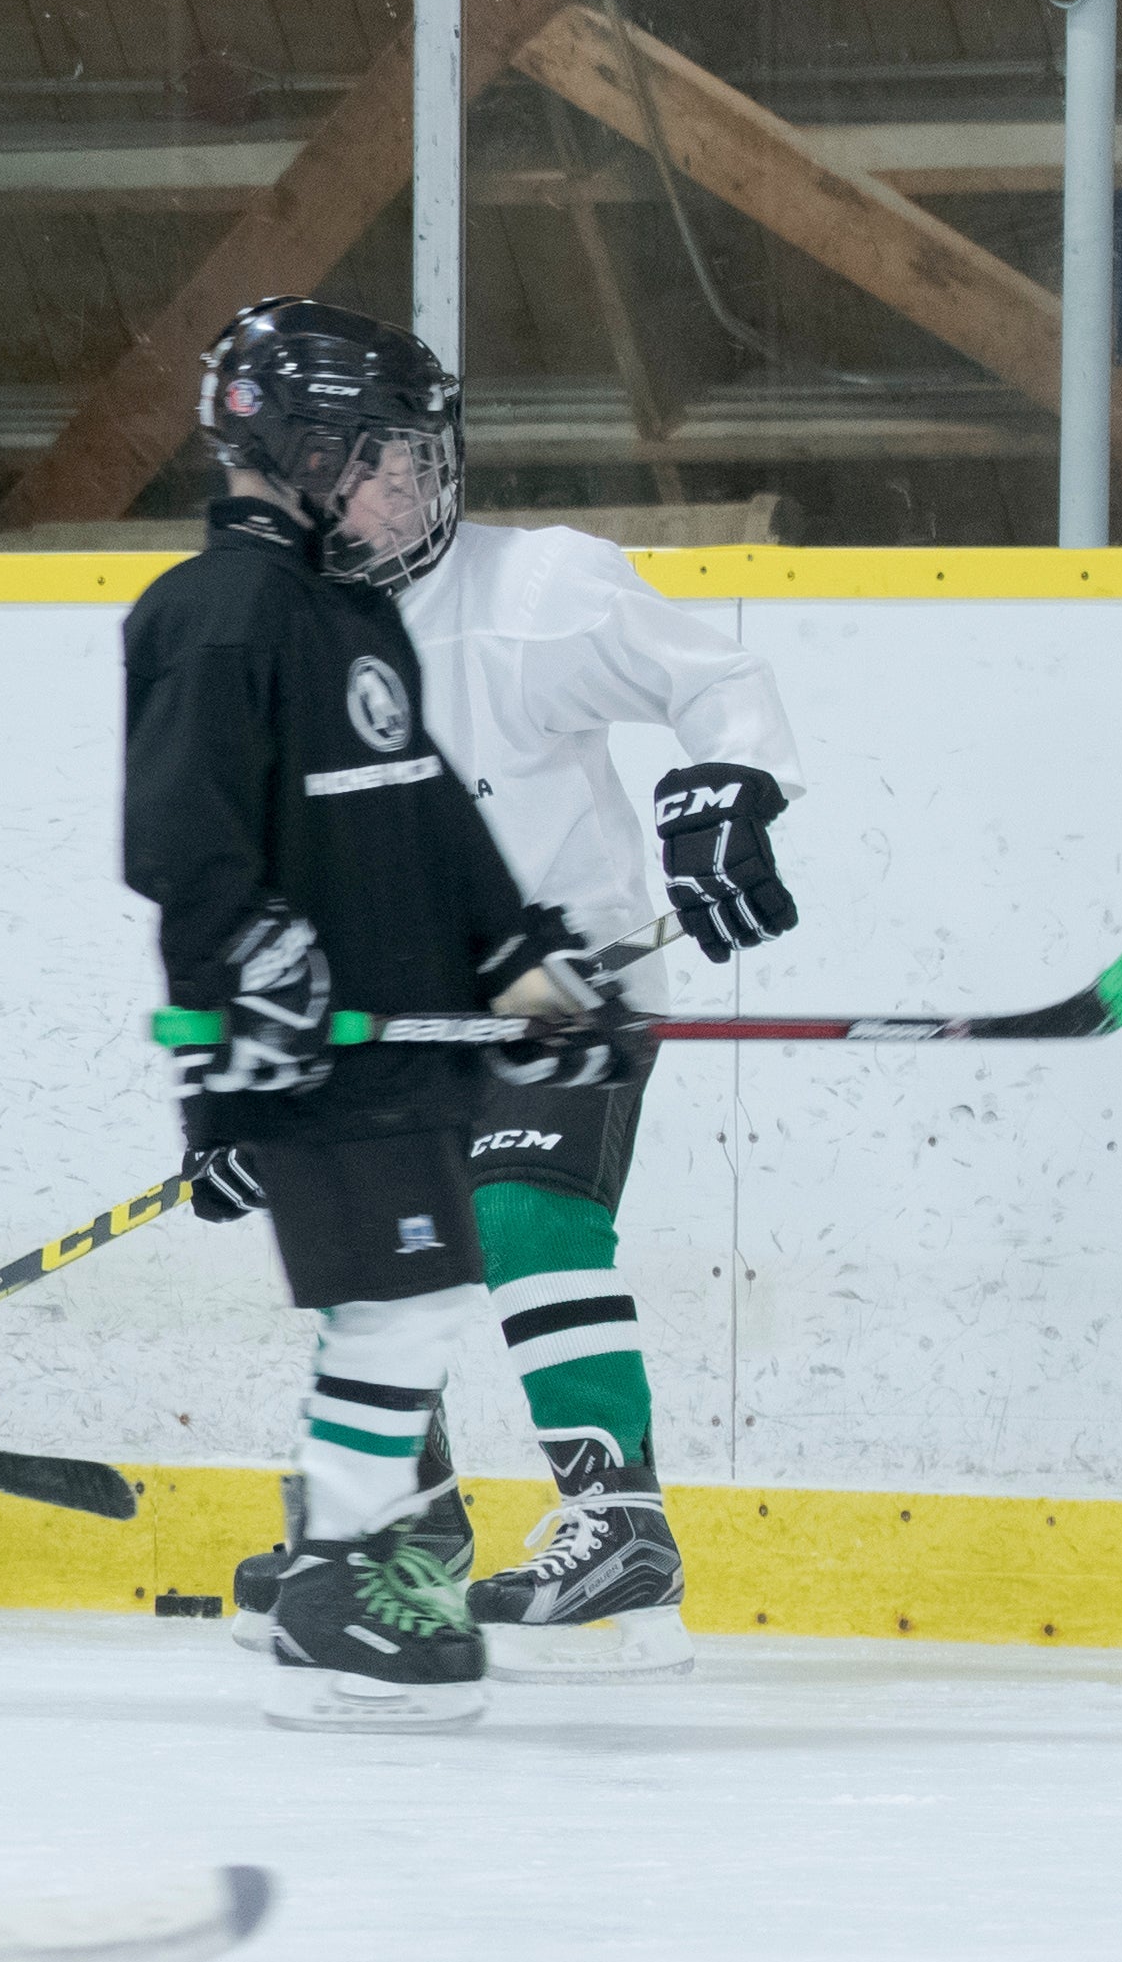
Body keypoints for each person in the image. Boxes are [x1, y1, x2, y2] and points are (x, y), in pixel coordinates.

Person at [129, 298, 615, 1735]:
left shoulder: (352, 619)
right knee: (401, 1303)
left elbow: (429, 831)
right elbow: (179, 841)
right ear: (300, 448)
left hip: (401, 1044)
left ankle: (343, 1553)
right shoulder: (208, 618)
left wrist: (523, 959)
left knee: (413, 1299)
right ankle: (340, 1570)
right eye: (392, 456)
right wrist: (246, 1003)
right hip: (310, 1059)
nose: (415, 485)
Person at [329, 516, 806, 1680]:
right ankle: (407, 1540)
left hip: (566, 980)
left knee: (522, 1210)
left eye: (397, 455)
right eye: (345, 463)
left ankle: (622, 1531)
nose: (375, 492)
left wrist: (723, 795)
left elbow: (714, 679)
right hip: (401, 996)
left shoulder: (534, 589)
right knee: (365, 1239)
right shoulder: (282, 633)